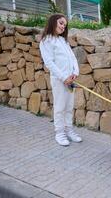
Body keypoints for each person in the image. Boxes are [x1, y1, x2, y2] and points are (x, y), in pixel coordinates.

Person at [39, 14, 82, 146]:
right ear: (53, 22)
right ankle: (60, 133)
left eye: (65, 24)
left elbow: (72, 58)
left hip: (70, 80)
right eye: (61, 23)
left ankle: (69, 130)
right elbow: (49, 63)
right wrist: (64, 78)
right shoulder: (46, 41)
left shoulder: (63, 41)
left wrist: (75, 72)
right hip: (59, 81)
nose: (63, 26)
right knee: (60, 107)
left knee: (69, 107)